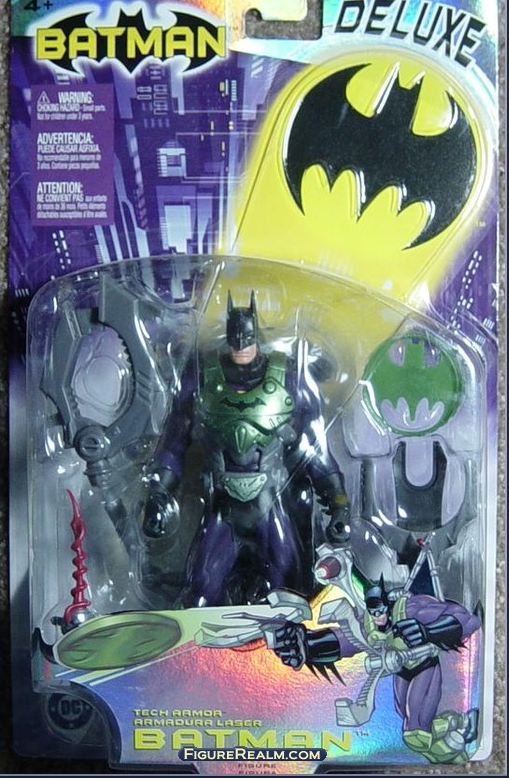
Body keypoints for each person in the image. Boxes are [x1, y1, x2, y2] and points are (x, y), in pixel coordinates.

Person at [142, 291, 350, 607]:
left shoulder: (289, 377)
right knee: (202, 590)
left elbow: (316, 451)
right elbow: (174, 444)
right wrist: (158, 495)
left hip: (270, 503)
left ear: (255, 337)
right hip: (222, 508)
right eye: (235, 341)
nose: (241, 347)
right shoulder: (202, 378)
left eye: (247, 340)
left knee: (289, 588)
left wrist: (338, 503)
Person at [273, 576, 481, 764]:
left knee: (416, 732)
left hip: (424, 666)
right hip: (402, 671)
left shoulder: (411, 609)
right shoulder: (370, 623)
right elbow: (348, 640)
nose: (378, 617)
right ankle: (461, 723)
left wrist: (428, 631)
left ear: (388, 606)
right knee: (408, 718)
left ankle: (457, 744)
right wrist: (308, 645)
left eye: (381, 611)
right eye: (373, 613)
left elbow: (468, 620)